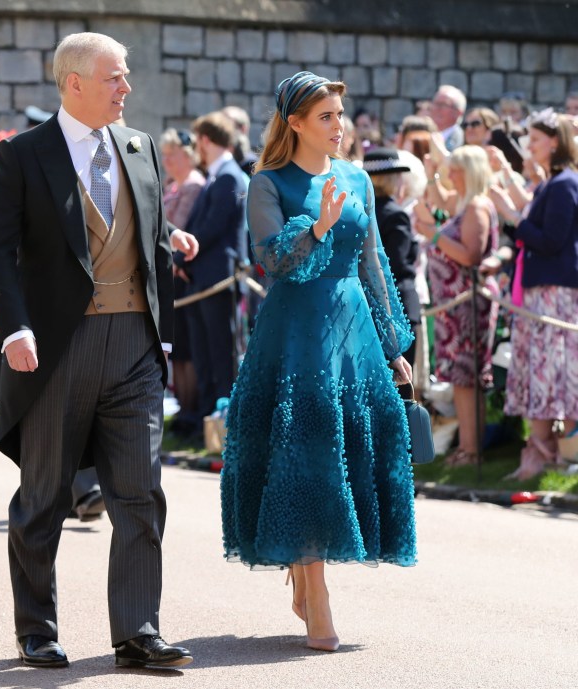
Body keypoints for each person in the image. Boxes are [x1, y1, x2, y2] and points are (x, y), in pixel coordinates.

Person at [0, 31, 193, 670]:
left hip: (134, 343)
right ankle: (37, 629)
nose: (127, 88)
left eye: (125, 77)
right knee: (44, 495)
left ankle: (137, 631)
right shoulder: (23, 156)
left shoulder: (141, 146)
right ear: (74, 82)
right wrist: (13, 329)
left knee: (139, 490)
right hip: (54, 347)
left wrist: (173, 250)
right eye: (114, 77)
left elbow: (148, 233)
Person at [220, 71, 417, 653]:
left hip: (352, 333)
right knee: (303, 456)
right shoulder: (267, 183)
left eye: (340, 115)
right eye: (326, 116)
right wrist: (320, 225)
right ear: (296, 123)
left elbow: (374, 264)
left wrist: (391, 345)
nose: (339, 126)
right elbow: (274, 263)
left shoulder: (356, 176)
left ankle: (307, 574)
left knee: (344, 454)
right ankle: (317, 594)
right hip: (294, 335)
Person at [491, 109, 578, 479]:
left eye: (538, 140)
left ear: (555, 142)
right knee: (539, 369)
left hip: (555, 291)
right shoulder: (551, 182)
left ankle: (555, 454)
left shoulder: (564, 184)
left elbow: (551, 240)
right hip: (539, 289)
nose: (531, 146)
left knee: (555, 369)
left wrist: (512, 215)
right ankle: (541, 452)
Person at [414, 146, 500, 466]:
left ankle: (471, 450)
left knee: (467, 377)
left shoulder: (477, 206)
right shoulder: (466, 203)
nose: (451, 175)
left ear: (470, 172)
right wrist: (431, 173)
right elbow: (442, 197)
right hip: (455, 305)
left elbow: (470, 256)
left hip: (468, 304)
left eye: (456, 169)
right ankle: (467, 447)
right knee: (462, 379)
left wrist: (434, 236)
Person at [177, 111, 247, 427]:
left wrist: (180, 258)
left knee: (221, 356)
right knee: (204, 354)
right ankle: (205, 419)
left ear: (205, 140)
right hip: (201, 278)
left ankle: (223, 422)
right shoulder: (217, 176)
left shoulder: (230, 175)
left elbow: (211, 229)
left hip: (219, 279)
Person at [160, 127, 205, 435]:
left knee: (187, 347)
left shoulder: (192, 185)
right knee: (177, 349)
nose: (167, 161)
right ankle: (183, 409)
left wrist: (174, 262)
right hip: (170, 274)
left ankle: (190, 411)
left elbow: (183, 225)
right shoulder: (172, 185)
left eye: (172, 154)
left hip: (185, 273)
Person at [362, 148, 421, 367]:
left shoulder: (359, 210)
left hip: (366, 301)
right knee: (402, 383)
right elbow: (397, 263)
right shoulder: (395, 214)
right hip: (397, 303)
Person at [429, 85, 466, 151]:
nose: (437, 108)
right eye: (435, 103)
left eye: (443, 105)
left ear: (458, 112)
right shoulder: (424, 134)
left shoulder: (464, 140)